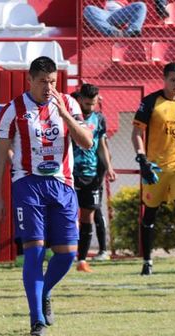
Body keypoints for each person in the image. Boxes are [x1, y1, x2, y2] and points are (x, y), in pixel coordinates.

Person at [0, 56, 93, 336]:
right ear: (30, 80)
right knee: (34, 250)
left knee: (67, 253)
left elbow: (87, 142)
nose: (48, 87)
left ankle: (44, 291)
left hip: (62, 185)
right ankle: (36, 319)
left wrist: (66, 116)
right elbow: (0, 156)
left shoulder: (69, 104)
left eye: (52, 82)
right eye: (42, 82)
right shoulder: (13, 110)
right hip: (28, 185)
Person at [132, 62, 175, 277]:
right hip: (156, 168)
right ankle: (148, 262)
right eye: (173, 80)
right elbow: (136, 132)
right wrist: (142, 159)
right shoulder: (151, 102)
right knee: (150, 213)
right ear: (164, 80)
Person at [72, 84, 116, 272]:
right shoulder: (70, 117)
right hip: (70, 173)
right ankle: (62, 253)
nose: (90, 107)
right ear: (80, 99)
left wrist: (109, 167)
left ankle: (82, 260)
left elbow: (101, 146)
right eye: (87, 103)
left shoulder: (99, 119)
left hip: (92, 175)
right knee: (67, 215)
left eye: (94, 103)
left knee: (88, 216)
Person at [84, 0, 168, 37]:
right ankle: (113, 33)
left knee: (141, 5)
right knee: (88, 9)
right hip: (105, 14)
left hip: (121, 12)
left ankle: (132, 32)